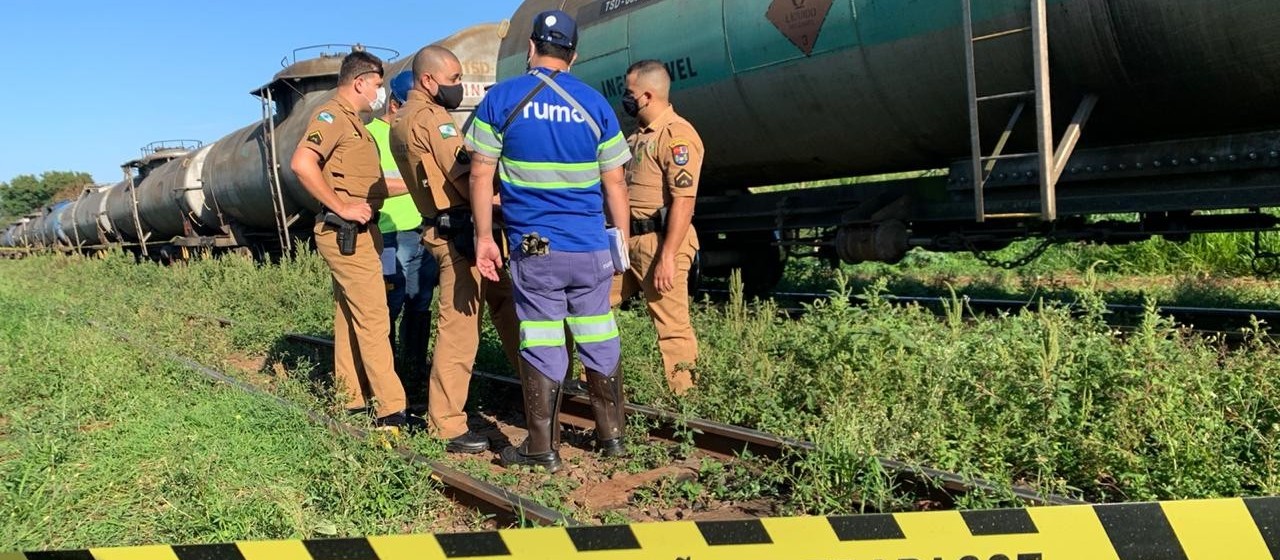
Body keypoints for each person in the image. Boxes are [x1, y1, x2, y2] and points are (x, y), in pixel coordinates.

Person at [468, 9, 632, 472]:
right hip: (591, 248)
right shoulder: (596, 105)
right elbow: (616, 183)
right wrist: (620, 240)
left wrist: (485, 237)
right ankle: (612, 437)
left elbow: (481, 175)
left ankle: (542, 446)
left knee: (542, 337)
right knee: (598, 331)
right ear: (574, 55)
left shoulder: (503, 100)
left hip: (535, 248)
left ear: (531, 49)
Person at [390, 45, 520, 454]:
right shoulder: (432, 120)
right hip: (462, 235)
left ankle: (541, 383)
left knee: (507, 307)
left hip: (449, 229)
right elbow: (465, 178)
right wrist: (506, 201)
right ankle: (446, 422)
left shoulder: (401, 119)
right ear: (428, 80)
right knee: (460, 331)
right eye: (453, 80)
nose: (459, 87)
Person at [289, 50, 413, 429]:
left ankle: (351, 399)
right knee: (375, 317)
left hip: (361, 233)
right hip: (346, 233)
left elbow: (369, 186)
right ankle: (393, 409)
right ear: (359, 82)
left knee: (349, 316)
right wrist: (340, 205)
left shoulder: (354, 123)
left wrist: (420, 185)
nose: (379, 92)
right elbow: (301, 163)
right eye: (377, 84)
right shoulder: (331, 117)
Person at [611, 60, 704, 396]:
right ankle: (582, 384)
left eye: (629, 92)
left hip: (661, 242)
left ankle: (686, 406)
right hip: (629, 242)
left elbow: (684, 201)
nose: (625, 98)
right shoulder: (636, 137)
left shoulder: (677, 135)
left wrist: (667, 256)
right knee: (586, 304)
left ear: (647, 95)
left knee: (672, 326)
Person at [374, 70, 440, 413]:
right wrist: (419, 182)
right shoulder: (371, 134)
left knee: (419, 301)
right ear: (394, 103)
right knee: (389, 304)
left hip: (419, 231)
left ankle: (413, 368)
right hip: (385, 235)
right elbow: (374, 182)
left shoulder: (413, 132)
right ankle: (386, 375)